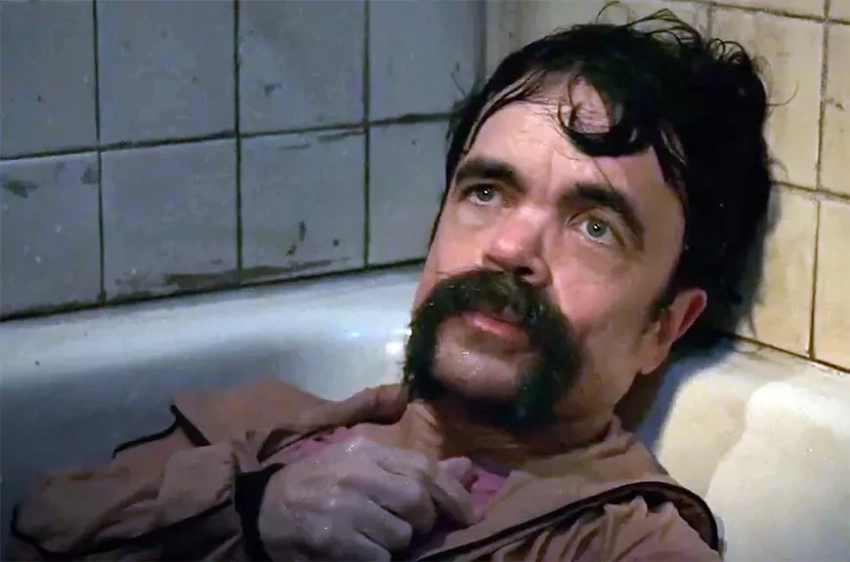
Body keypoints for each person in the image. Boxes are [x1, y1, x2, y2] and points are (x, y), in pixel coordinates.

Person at [6, 9, 772, 562]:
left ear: (664, 328)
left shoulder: (623, 545)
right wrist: (252, 512)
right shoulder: (265, 427)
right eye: (487, 192)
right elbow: (39, 525)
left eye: (595, 226)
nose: (510, 248)